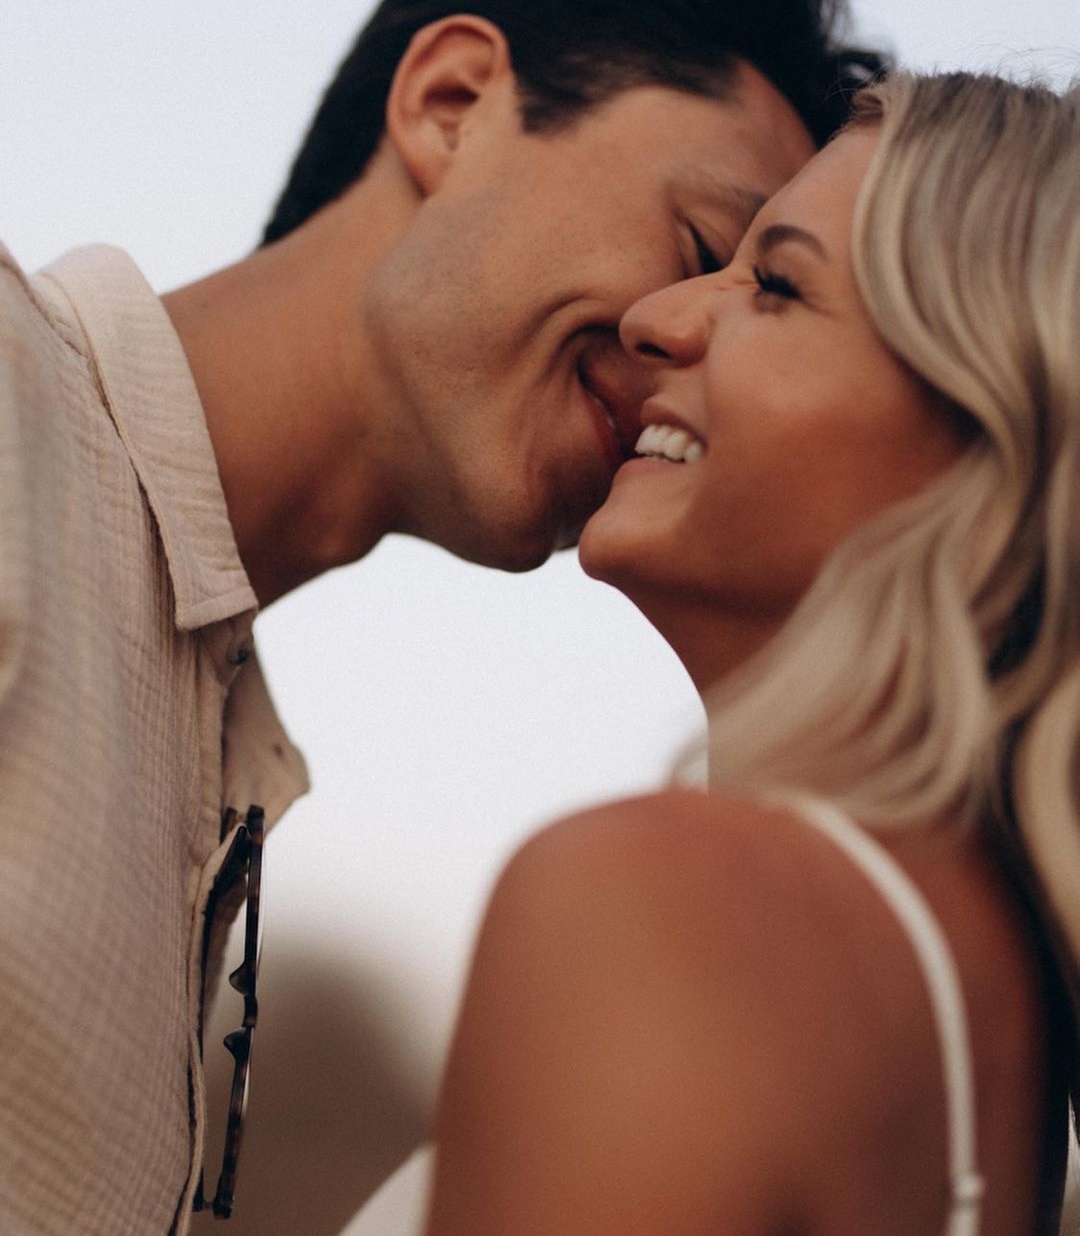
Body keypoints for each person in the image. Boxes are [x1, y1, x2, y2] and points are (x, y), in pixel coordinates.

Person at [0, 0, 885, 1236]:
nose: (693, 346)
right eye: (710, 253)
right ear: (453, 102)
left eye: (775, 309)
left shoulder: (211, 731)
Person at [372, 71, 1078, 1236]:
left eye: (778, 285)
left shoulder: (661, 908)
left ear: (998, 437)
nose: (658, 317)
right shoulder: (1006, 1018)